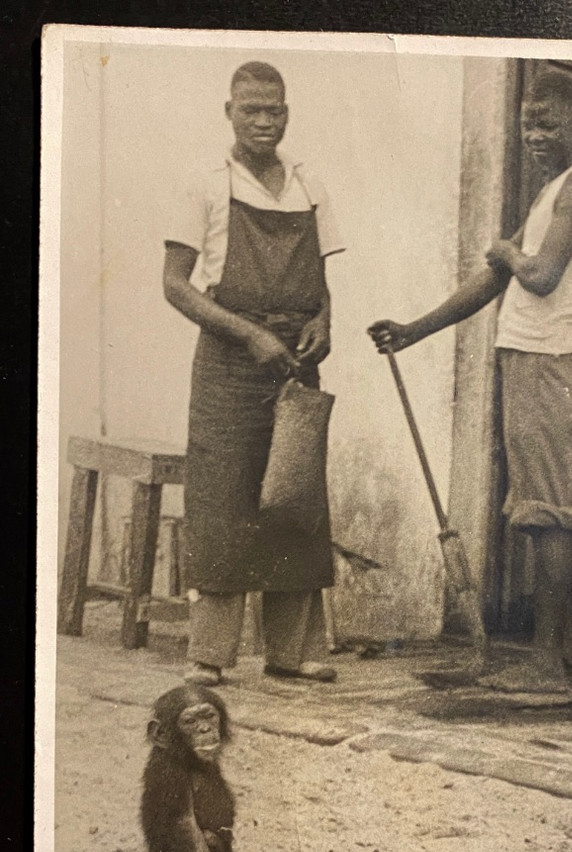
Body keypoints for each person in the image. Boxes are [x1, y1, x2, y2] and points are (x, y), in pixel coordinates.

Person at [369, 71, 572, 690]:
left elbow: (540, 274)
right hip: (532, 361)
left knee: (550, 516)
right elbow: (494, 283)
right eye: (528, 122)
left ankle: (546, 665)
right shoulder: (552, 191)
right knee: (541, 515)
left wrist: (507, 253)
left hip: (553, 364)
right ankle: (571, 657)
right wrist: (414, 329)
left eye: (547, 123)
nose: (534, 134)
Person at [163, 61, 344, 687]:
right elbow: (175, 287)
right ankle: (210, 654)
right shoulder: (205, 184)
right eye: (251, 110)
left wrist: (325, 319)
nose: (264, 121)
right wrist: (246, 334)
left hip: (296, 359)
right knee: (224, 495)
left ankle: (293, 651)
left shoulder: (308, 179)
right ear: (230, 112)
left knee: (294, 497)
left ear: (287, 111)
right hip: (229, 362)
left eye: (275, 110)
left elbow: (322, 280)